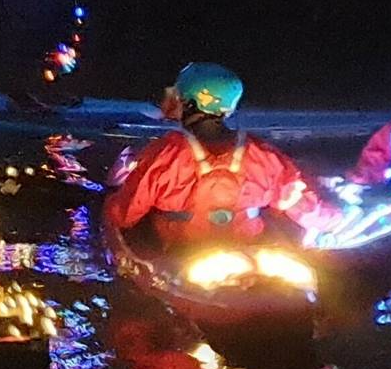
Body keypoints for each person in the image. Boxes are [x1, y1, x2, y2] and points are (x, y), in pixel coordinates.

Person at [104, 63, 330, 248]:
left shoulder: (164, 154)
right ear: (228, 109)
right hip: (246, 249)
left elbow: (124, 216)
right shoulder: (264, 154)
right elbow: (305, 207)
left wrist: (111, 199)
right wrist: (334, 220)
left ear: (189, 104)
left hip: (181, 254)